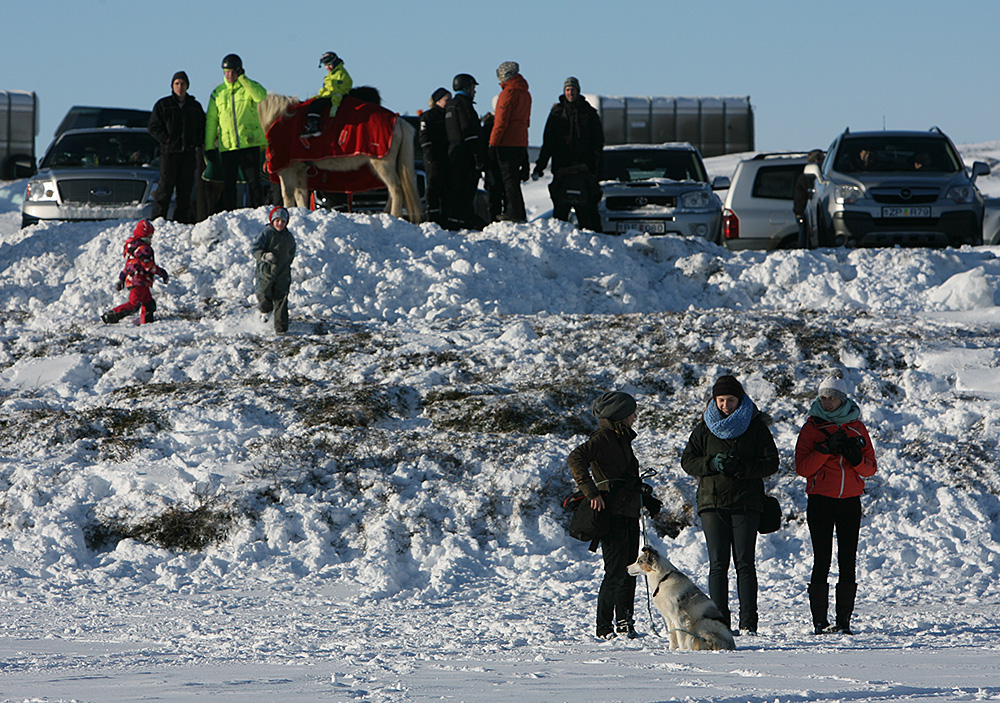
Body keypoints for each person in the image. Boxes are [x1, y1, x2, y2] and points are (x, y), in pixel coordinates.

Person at [680, 375, 779, 635]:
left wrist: (743, 468)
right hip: (712, 503)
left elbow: (771, 462)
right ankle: (720, 620)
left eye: (730, 400)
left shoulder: (755, 425)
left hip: (747, 502)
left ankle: (748, 622)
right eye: (721, 400)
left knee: (745, 563)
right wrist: (711, 464)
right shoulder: (704, 427)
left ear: (740, 399)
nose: (725, 405)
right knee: (717, 564)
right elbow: (688, 461)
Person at [795, 373, 877, 635]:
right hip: (820, 501)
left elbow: (870, 469)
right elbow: (802, 467)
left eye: (832, 397)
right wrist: (825, 449)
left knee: (847, 560)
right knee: (822, 559)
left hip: (850, 502)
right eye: (823, 397)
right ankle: (820, 621)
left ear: (842, 400)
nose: (827, 401)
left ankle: (844, 621)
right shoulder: (811, 428)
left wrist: (854, 456)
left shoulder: (857, 427)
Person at [568, 391, 642, 640]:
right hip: (612, 514)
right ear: (619, 415)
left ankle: (625, 623)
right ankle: (604, 628)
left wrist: (648, 499)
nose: (635, 415)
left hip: (628, 511)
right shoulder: (603, 438)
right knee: (615, 572)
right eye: (631, 411)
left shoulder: (621, 439)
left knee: (630, 570)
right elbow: (576, 458)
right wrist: (591, 493)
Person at [534, 77, 604, 231]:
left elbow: (598, 144)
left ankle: (594, 243)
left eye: (573, 89)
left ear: (578, 91)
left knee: (587, 212)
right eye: (567, 90)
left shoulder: (589, 113)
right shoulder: (556, 114)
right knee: (560, 214)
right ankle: (559, 243)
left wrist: (597, 170)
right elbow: (548, 143)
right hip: (562, 169)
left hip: (584, 169)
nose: (570, 92)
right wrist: (540, 166)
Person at [204, 53, 267, 211]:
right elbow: (211, 121)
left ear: (239, 71)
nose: (229, 75)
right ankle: (230, 215)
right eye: (226, 72)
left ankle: (259, 213)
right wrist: (210, 146)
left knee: (254, 183)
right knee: (229, 184)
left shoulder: (247, 87)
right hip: (228, 146)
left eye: (232, 71)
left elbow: (261, 96)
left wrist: (244, 79)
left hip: (249, 143)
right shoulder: (218, 93)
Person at [148, 71, 205, 223]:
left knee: (185, 190)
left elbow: (202, 128)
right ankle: (158, 221)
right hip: (169, 153)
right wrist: (165, 139)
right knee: (164, 189)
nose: (180, 87)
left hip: (187, 154)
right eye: (177, 83)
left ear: (187, 86)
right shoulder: (163, 105)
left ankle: (181, 222)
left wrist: (196, 142)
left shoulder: (194, 107)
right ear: (172, 86)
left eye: (182, 84)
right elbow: (153, 127)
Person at [488, 61, 531, 222]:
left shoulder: (508, 93)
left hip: (506, 142)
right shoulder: (525, 93)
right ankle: (518, 212)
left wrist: (493, 143)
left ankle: (513, 214)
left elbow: (500, 122)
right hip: (520, 141)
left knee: (508, 180)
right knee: (514, 180)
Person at [444, 73, 484, 230]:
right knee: (465, 193)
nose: (474, 91)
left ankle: (457, 222)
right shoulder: (464, 105)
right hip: (466, 157)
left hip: (454, 155)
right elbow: (470, 132)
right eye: (473, 87)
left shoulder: (451, 105)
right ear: (467, 87)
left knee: (457, 192)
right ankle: (462, 223)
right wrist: (477, 155)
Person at [102, 235, 169, 326]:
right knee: (134, 305)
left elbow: (126, 269)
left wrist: (121, 280)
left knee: (149, 304)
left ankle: (146, 322)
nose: (151, 238)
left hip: (138, 282)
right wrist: (162, 273)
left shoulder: (132, 253)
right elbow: (149, 266)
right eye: (150, 235)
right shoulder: (144, 249)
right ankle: (111, 316)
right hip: (139, 282)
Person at [253, 206, 297, 335]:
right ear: (272, 221)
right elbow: (255, 249)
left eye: (283, 221)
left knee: (281, 299)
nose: (280, 224)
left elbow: (291, 251)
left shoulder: (288, 236)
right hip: (266, 271)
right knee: (263, 292)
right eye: (277, 220)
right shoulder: (267, 233)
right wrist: (264, 256)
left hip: (282, 272)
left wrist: (287, 264)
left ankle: (281, 328)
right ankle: (265, 310)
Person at [418, 87, 451, 226]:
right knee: (433, 187)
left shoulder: (451, 116)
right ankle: (432, 216)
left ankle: (445, 216)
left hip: (447, 157)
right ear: (438, 101)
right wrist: (430, 155)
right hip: (434, 158)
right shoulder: (428, 117)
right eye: (447, 100)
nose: (450, 102)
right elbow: (424, 137)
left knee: (446, 188)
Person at [302, 51, 353, 138]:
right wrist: (318, 96)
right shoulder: (330, 75)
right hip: (329, 96)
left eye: (329, 64)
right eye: (325, 65)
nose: (327, 67)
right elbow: (326, 89)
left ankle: (314, 127)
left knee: (315, 106)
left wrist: (335, 104)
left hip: (335, 98)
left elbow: (338, 91)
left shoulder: (341, 74)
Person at [793, 149, 824, 249]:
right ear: (816, 161)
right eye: (822, 159)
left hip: (802, 211)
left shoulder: (805, 176)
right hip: (802, 212)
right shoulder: (808, 177)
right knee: (804, 238)